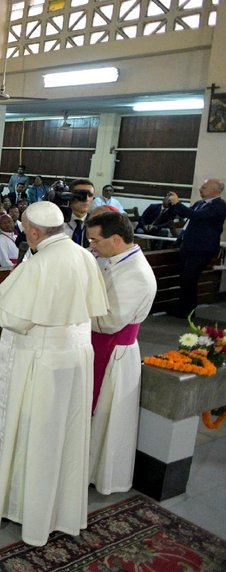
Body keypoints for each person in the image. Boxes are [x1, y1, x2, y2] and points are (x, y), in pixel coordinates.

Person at [0, 201, 108, 547]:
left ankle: (24, 509)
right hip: (77, 356)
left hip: (42, 360)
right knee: (66, 433)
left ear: (34, 232)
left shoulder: (40, 263)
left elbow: (11, 316)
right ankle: (60, 509)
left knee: (34, 435)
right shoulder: (84, 256)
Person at [85, 211, 157, 494]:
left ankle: (97, 473)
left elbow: (109, 320)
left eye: (95, 240)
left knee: (105, 417)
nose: (92, 246)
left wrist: (71, 309)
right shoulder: (113, 259)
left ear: (115, 239)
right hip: (100, 347)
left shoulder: (137, 273)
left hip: (114, 353)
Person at [166, 178, 226, 317]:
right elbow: (186, 214)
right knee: (184, 278)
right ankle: (183, 309)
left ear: (215, 190)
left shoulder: (219, 205)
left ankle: (188, 311)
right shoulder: (200, 203)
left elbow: (196, 216)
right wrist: (173, 205)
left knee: (190, 277)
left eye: (204, 187)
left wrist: (178, 203)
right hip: (189, 245)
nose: (200, 188)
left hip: (202, 248)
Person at [63, 179, 96, 247]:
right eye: (81, 194)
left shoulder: (96, 224)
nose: (86, 199)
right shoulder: (58, 221)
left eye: (90, 195)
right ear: (70, 195)